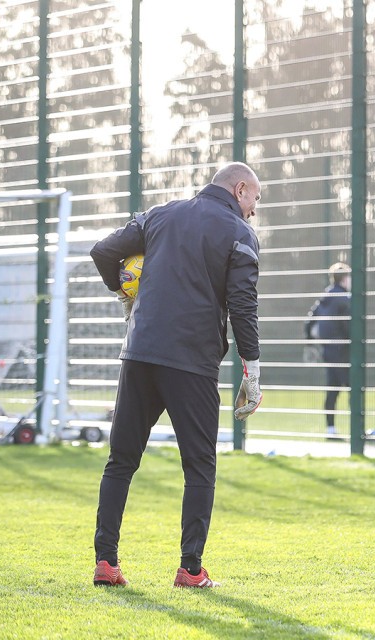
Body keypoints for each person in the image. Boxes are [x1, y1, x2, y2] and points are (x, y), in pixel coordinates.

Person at [89, 162, 263, 588]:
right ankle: (190, 570)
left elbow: (103, 251)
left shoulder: (159, 215)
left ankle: (106, 563)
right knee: (200, 467)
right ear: (240, 189)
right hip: (192, 362)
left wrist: (121, 289)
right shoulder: (239, 233)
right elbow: (242, 305)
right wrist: (252, 369)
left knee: (121, 461)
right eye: (255, 200)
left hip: (140, 352)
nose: (254, 210)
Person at [305, 262, 351, 437]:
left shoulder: (324, 298)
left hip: (328, 351)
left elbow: (309, 322)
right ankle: (358, 430)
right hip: (343, 351)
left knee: (333, 389)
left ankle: (330, 429)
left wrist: (310, 342)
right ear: (344, 279)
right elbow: (348, 326)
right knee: (354, 389)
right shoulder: (344, 298)